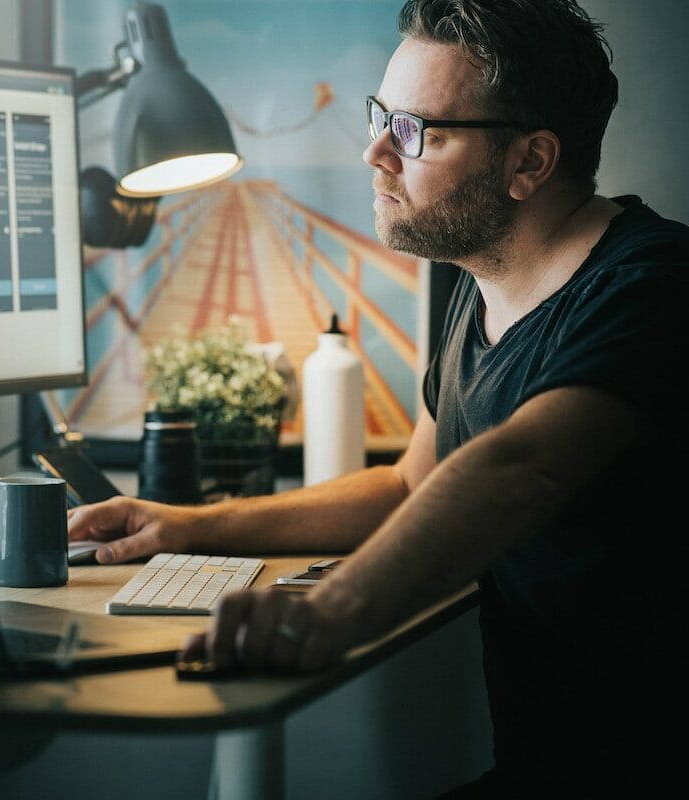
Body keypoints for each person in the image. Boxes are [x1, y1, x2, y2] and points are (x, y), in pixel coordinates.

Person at [69, 0, 688, 796]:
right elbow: (409, 484)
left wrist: (334, 610)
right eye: (381, 117)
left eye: (415, 130)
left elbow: (521, 464)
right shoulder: (486, 288)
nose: (373, 152)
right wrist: (189, 526)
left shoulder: (652, 285)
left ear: (529, 163)